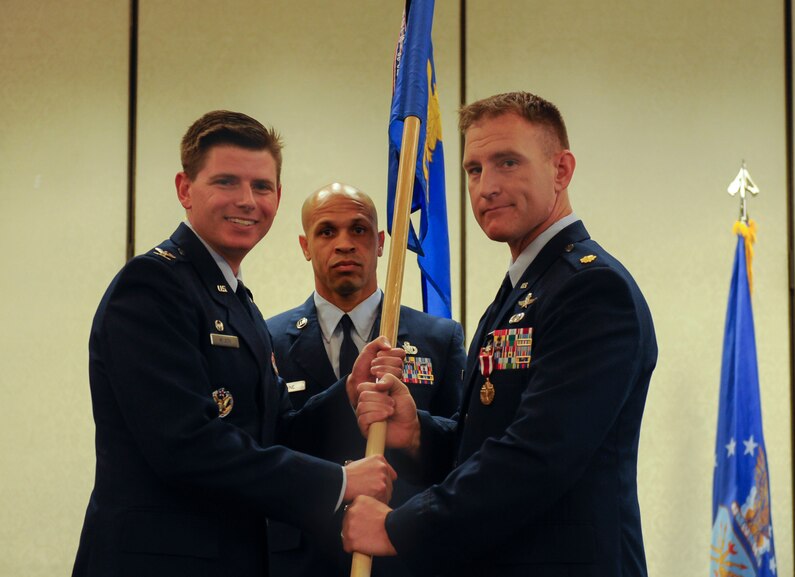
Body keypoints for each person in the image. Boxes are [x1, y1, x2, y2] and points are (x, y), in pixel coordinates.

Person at [71, 110, 404, 577]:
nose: (247, 201)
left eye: (262, 187)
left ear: (278, 197)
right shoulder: (152, 286)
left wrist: (345, 395)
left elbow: (269, 432)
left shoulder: (236, 300)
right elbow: (188, 447)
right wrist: (339, 481)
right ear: (185, 189)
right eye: (226, 182)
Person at [343, 92, 658, 577]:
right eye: (474, 169)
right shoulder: (524, 289)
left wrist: (399, 527)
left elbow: (536, 458)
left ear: (561, 170)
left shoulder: (592, 288)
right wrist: (418, 433)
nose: (486, 187)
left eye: (507, 162)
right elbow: (488, 440)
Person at [265, 182, 466, 576]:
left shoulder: (438, 338)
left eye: (358, 230)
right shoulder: (267, 339)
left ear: (378, 242)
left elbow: (459, 451)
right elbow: (269, 446)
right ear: (305, 246)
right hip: (301, 559)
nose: (344, 244)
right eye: (327, 231)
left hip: (403, 554)